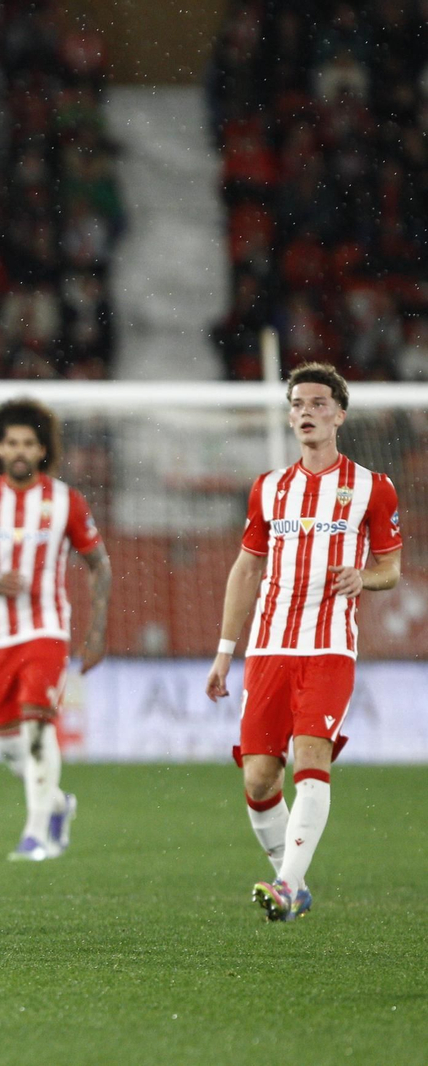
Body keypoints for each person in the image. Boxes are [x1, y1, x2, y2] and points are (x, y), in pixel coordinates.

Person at [206, 362, 401, 922]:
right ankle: (296, 882)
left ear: (339, 414)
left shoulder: (371, 487)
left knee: (310, 757)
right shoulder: (268, 489)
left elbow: (391, 568)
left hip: (329, 647)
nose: (305, 413)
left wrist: (363, 577)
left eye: (317, 404)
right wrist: (224, 651)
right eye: (297, 404)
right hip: (267, 648)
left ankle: (286, 889)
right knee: (259, 777)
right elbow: (246, 570)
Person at [0, 398, 110, 862]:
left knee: (39, 730)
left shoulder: (66, 501)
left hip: (47, 629)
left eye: (29, 443)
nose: (19, 451)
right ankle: (58, 804)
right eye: (11, 442)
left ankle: (36, 834)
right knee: (9, 746)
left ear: (43, 450)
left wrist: (97, 631)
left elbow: (100, 565)